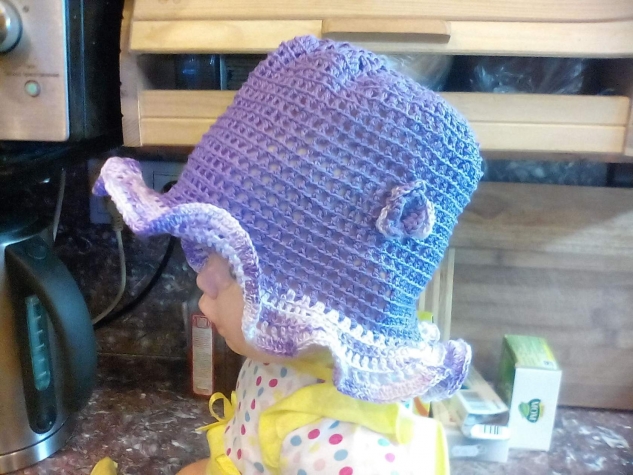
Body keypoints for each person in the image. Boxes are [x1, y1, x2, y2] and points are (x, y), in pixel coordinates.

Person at [94, 35, 483, 475]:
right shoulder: (287, 358)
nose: (203, 278)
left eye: (232, 264)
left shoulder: (345, 451)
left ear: (313, 298)